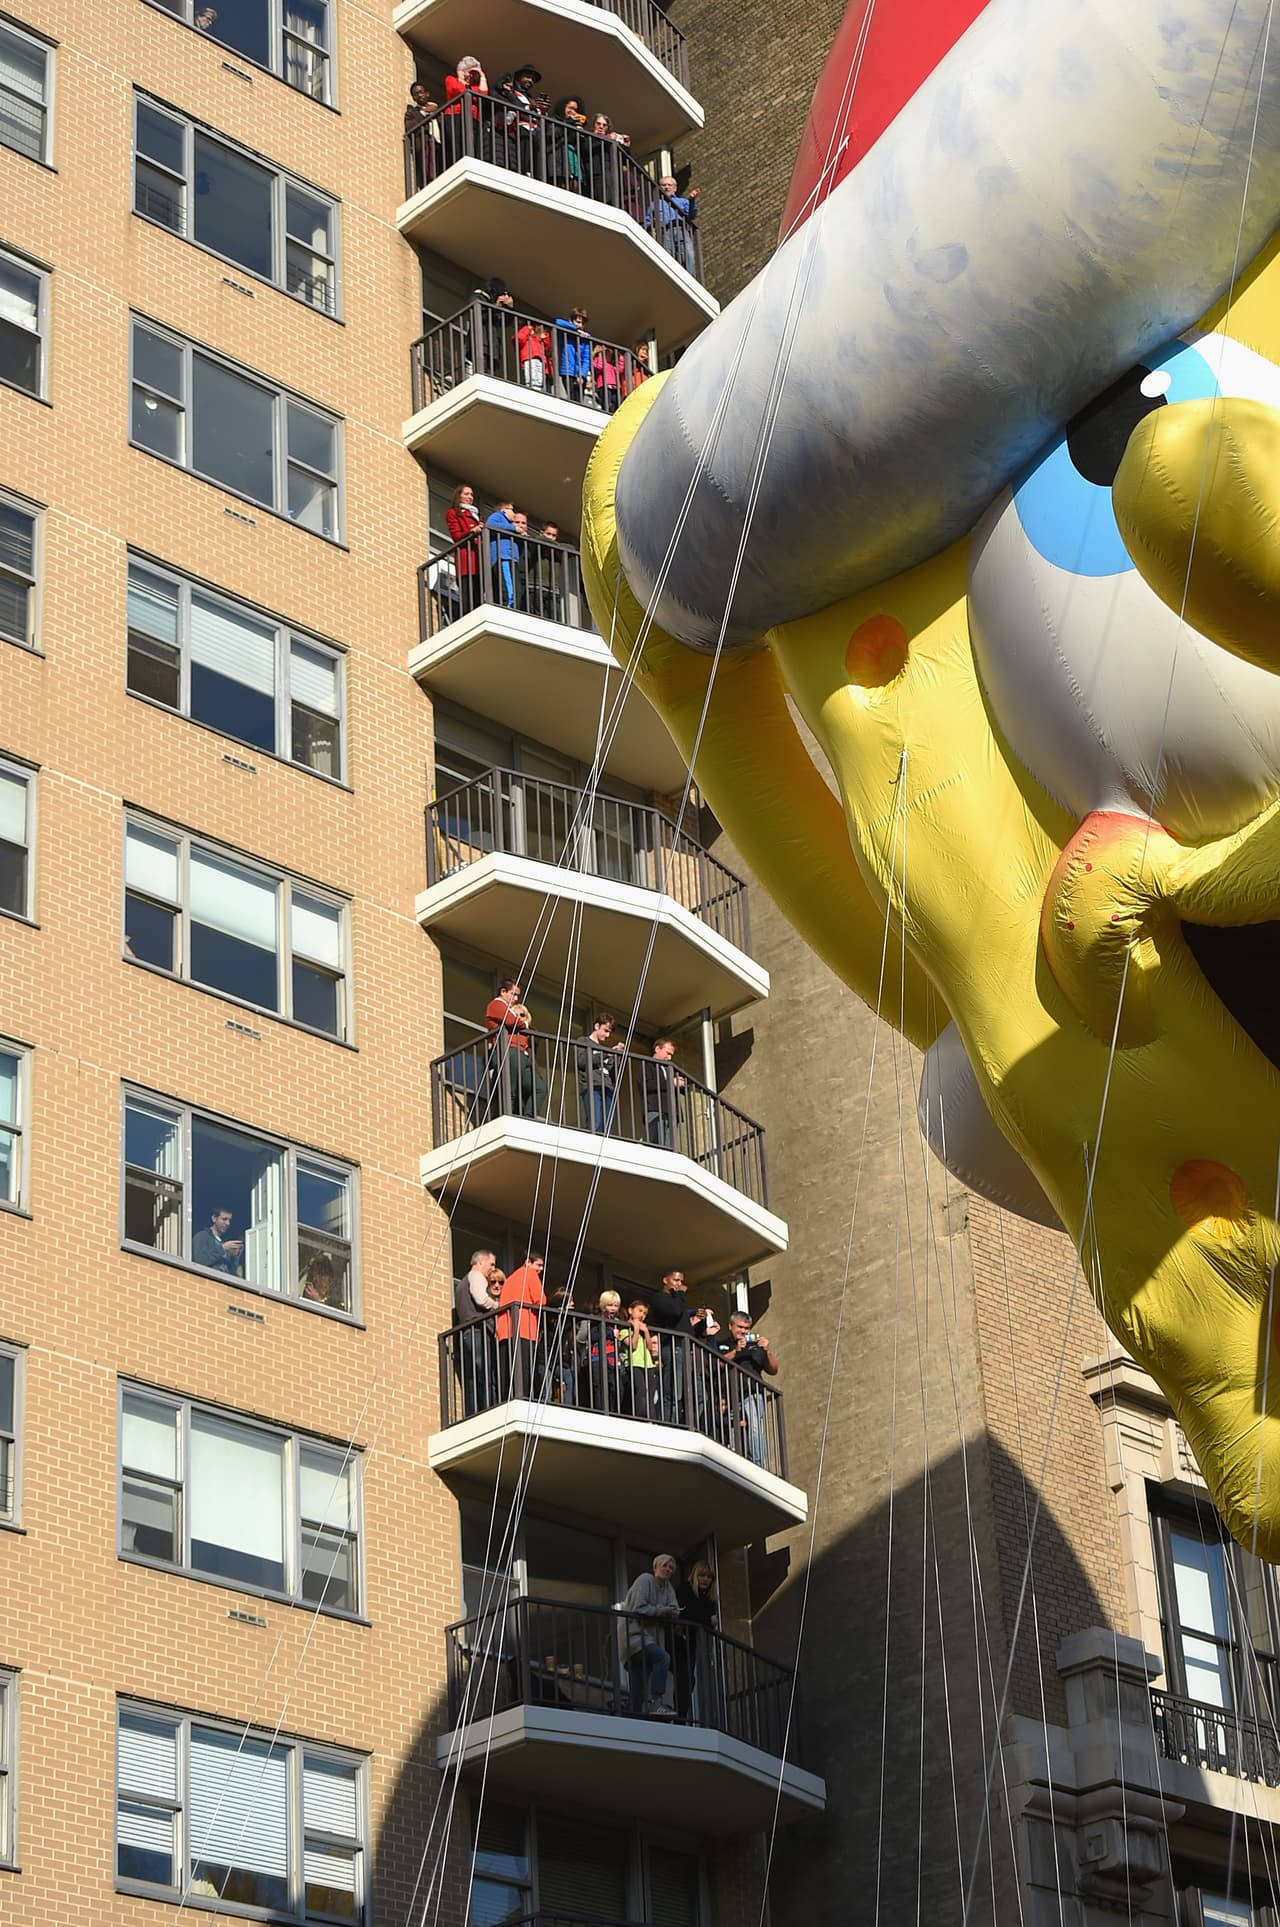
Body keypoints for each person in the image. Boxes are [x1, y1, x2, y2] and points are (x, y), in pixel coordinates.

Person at [644, 1266, 714, 1424]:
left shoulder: (678, 1301)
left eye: (681, 1281)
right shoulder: (659, 1298)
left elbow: (689, 1328)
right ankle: (670, 1425)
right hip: (673, 1348)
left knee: (700, 1396)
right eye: (676, 1280)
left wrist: (699, 1321)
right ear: (665, 1280)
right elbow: (674, 1312)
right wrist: (681, 1294)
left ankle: (685, 1424)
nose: (679, 1284)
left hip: (686, 1349)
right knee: (674, 1393)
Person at [619, 1554, 680, 1716]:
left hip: (646, 1640)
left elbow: (675, 1608)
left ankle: (633, 1722)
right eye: (664, 1565)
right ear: (655, 1567)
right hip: (634, 1637)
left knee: (637, 1695)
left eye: (671, 1568)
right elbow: (639, 1608)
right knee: (663, 1658)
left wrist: (670, 1611)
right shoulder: (645, 1580)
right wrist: (662, 1610)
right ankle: (656, 1702)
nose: (668, 1569)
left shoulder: (667, 1587)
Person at [717, 1312, 778, 1466]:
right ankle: (735, 1465)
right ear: (730, 1326)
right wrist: (736, 1351)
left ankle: (757, 1464)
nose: (743, 1331)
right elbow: (716, 1364)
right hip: (729, 1398)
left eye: (746, 1328)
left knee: (754, 1428)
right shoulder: (721, 1345)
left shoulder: (755, 1347)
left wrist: (766, 1350)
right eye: (740, 1327)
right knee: (732, 1432)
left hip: (752, 1394)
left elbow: (773, 1370)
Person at [485, 976, 545, 1116]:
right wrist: (523, 1023)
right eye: (514, 994)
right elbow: (512, 1021)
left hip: (520, 1055)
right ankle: (508, 1116)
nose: (516, 998)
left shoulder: (506, 1008)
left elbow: (515, 1022)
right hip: (508, 1051)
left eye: (517, 995)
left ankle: (529, 1117)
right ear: (503, 991)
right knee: (510, 1089)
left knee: (540, 1088)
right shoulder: (496, 1004)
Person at [453, 1248, 502, 1413]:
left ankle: (474, 1412)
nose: (492, 1269)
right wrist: (497, 1306)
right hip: (478, 1332)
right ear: (480, 1262)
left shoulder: (461, 1283)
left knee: (473, 1377)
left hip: (466, 1334)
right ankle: (487, 1409)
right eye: (491, 1264)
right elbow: (481, 1299)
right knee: (485, 1374)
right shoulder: (476, 1276)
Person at [496, 1251, 546, 1398]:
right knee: (525, 1369)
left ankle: (509, 1397)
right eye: (538, 1265)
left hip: (505, 1329)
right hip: (524, 1328)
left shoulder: (510, 1279)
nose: (540, 1269)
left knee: (509, 1369)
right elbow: (541, 1300)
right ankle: (524, 1397)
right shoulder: (529, 1273)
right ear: (527, 1262)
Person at [674, 1559, 719, 1720]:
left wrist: (708, 1619)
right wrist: (708, 1620)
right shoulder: (685, 1590)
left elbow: (706, 1618)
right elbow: (689, 1615)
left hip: (690, 1642)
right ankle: (680, 1716)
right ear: (694, 1576)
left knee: (687, 1679)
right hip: (677, 1641)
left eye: (709, 1577)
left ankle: (680, 1715)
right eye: (702, 1576)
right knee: (685, 1678)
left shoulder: (708, 1598)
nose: (705, 1580)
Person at [575, 1288, 622, 1411]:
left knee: (616, 1388)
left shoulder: (617, 1322)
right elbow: (592, 1336)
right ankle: (601, 1411)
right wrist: (611, 1334)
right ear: (603, 1306)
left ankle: (612, 1412)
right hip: (597, 1358)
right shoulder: (595, 1320)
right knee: (599, 1387)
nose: (613, 1308)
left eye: (616, 1306)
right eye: (610, 1305)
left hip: (613, 1358)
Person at [575, 1012, 618, 1131]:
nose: (608, 1035)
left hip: (607, 1087)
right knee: (595, 1122)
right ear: (596, 1026)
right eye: (605, 1030)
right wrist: (605, 1055)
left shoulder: (604, 1049)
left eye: (609, 1032)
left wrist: (615, 1059)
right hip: (592, 1086)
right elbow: (582, 1061)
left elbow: (611, 1072)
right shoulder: (583, 1041)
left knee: (606, 1126)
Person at [618, 1299, 660, 1419]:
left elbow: (650, 1347)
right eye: (640, 1311)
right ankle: (640, 1416)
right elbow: (633, 1345)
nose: (642, 1315)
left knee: (650, 1392)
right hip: (634, 1363)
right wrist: (636, 1328)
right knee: (640, 1389)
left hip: (648, 1364)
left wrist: (646, 1331)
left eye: (645, 1313)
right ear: (630, 1310)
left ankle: (651, 1417)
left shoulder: (644, 1330)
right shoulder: (624, 1328)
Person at [443, 55, 488, 165]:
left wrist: (482, 75)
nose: (472, 75)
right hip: (455, 116)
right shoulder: (451, 79)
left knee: (472, 144)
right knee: (457, 144)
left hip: (473, 119)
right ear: (462, 71)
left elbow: (483, 94)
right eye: (470, 71)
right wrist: (461, 77)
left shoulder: (473, 88)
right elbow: (458, 90)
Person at [445, 482, 484, 611]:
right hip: (466, 558)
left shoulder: (477, 515)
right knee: (468, 592)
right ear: (459, 496)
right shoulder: (453, 512)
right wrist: (472, 531)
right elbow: (456, 536)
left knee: (479, 593)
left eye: (471, 494)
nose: (470, 497)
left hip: (479, 558)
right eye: (466, 494)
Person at [640, 1036, 685, 1148]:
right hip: (655, 1110)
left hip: (671, 1112)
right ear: (657, 1049)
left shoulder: (670, 1068)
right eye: (667, 1053)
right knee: (658, 1146)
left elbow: (679, 1087)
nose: (669, 1058)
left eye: (671, 1055)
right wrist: (671, 1082)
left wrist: (682, 1084)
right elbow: (647, 1084)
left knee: (670, 1147)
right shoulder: (647, 1064)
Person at [648, 175, 699, 271]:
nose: (666, 187)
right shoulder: (654, 204)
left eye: (669, 185)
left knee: (688, 255)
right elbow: (647, 220)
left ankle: (690, 278)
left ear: (674, 188)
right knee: (667, 256)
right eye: (663, 185)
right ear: (659, 187)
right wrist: (650, 225)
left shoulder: (682, 201)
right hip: (665, 231)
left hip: (681, 229)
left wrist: (692, 200)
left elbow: (692, 215)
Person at [404, 80, 440, 190]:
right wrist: (424, 112)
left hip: (438, 144)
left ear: (427, 93)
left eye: (421, 92)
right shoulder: (412, 113)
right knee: (428, 173)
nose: (419, 95)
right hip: (425, 145)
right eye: (416, 94)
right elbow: (411, 127)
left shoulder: (437, 111)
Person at [553, 307, 592, 405]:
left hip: (579, 373)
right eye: (578, 322)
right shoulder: (564, 331)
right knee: (569, 398)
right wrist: (575, 330)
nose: (580, 325)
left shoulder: (585, 337)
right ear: (571, 320)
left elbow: (587, 358)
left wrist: (582, 375)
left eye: (582, 323)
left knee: (578, 400)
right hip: (567, 370)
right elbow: (557, 322)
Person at [485, 503, 520, 608]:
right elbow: (490, 524)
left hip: (511, 557)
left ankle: (510, 604)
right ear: (504, 510)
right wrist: (514, 528)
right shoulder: (498, 516)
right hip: (504, 557)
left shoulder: (508, 524)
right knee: (508, 586)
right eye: (512, 510)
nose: (514, 514)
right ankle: (509, 605)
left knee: (512, 584)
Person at [193, 1207, 243, 1275]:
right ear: (214, 1218)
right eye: (224, 1219)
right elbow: (198, 1262)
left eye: (229, 1220)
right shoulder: (202, 1236)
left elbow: (231, 1273)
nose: (228, 1223)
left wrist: (235, 1258)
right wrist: (222, 1248)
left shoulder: (223, 1243)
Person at [550, 98, 587, 191]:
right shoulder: (554, 120)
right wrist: (569, 122)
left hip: (574, 162)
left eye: (576, 110)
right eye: (570, 108)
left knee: (575, 187)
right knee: (561, 187)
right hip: (560, 162)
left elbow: (584, 149)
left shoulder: (575, 125)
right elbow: (551, 135)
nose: (573, 112)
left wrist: (580, 135)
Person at [516, 317, 552, 392]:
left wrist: (545, 337)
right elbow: (519, 339)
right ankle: (534, 391)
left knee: (539, 381)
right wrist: (527, 329)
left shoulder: (538, 338)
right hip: (531, 358)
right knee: (533, 380)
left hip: (540, 361)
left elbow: (547, 348)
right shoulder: (527, 334)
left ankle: (537, 391)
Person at [591, 341, 624, 415]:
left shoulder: (612, 366)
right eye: (606, 354)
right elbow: (600, 367)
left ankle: (615, 414)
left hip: (614, 387)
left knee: (617, 403)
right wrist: (599, 354)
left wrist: (620, 357)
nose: (608, 356)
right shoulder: (596, 361)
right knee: (606, 402)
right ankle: (606, 413)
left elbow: (620, 369)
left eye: (609, 355)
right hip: (604, 386)